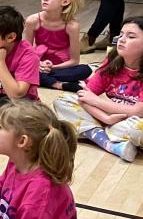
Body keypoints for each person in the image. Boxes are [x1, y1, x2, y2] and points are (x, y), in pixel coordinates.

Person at [53, 16, 143, 162]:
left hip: (135, 121)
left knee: (138, 128)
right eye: (121, 34)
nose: (121, 39)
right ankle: (111, 144)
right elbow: (85, 96)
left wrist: (98, 103)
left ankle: (93, 132)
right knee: (63, 101)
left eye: (131, 36)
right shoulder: (112, 61)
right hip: (114, 118)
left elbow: (138, 111)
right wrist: (105, 118)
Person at [25, 0, 91, 91]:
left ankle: (43, 79)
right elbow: (26, 52)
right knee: (18, 67)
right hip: (38, 63)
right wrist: (38, 64)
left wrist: (51, 68)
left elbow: (74, 61)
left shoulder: (72, 26)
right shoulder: (32, 20)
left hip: (60, 67)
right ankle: (58, 84)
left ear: (65, 1)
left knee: (85, 70)